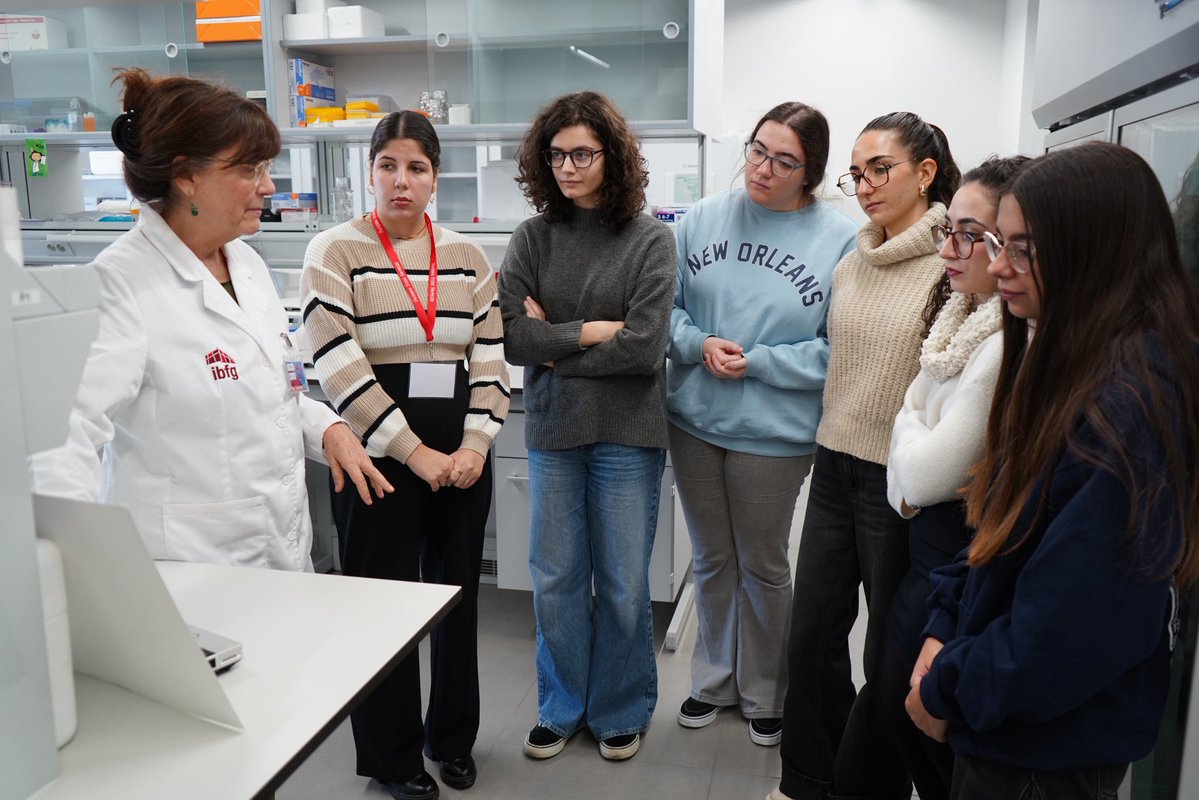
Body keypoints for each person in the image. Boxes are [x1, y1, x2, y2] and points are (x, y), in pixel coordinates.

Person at [906, 142, 1199, 800]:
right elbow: (997, 527)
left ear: (1094, 251)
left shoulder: (1128, 409)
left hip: (1040, 753)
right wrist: (942, 629)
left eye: (1023, 249)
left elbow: (1066, 633)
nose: (996, 265)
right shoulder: (1064, 355)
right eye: (997, 242)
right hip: (1007, 724)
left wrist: (947, 681)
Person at [30, 68, 388, 570]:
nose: (268, 185)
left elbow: (274, 389)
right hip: (188, 570)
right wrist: (84, 576)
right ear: (187, 176)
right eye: (249, 169)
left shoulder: (246, 264)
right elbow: (60, 446)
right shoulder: (120, 284)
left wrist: (327, 428)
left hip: (281, 553)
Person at [300, 111, 509, 800]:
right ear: (370, 171)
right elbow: (337, 364)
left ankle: (451, 740)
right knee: (379, 610)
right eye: (388, 165)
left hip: (460, 460)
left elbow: (490, 360)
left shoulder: (468, 258)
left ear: (435, 177)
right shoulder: (334, 252)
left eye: (416, 167)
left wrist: (476, 443)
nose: (401, 180)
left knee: (455, 602)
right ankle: (392, 760)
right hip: (377, 462)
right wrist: (413, 452)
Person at [773, 111, 960, 800]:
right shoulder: (853, 260)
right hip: (834, 464)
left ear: (925, 172)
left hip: (898, 480)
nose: (865, 185)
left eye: (879, 169)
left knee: (887, 656)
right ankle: (804, 780)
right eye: (856, 174)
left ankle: (869, 788)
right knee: (812, 634)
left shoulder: (950, 264)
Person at [666, 102, 857, 745]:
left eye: (784, 162)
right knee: (712, 559)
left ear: (811, 173)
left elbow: (841, 346)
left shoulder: (840, 239)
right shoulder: (700, 219)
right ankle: (713, 680)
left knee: (763, 564)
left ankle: (766, 691)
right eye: (757, 151)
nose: (763, 169)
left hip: (774, 435)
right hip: (693, 421)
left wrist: (760, 361)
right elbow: (664, 311)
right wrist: (697, 345)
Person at [498, 91, 675, 763]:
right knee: (557, 577)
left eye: (581, 153)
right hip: (553, 435)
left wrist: (555, 341)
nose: (567, 167)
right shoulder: (532, 238)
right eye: (556, 154)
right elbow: (514, 340)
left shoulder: (651, 238)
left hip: (627, 435)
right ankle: (560, 704)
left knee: (626, 580)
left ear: (612, 156)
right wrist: (588, 333)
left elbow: (645, 347)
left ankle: (620, 708)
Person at [875, 156, 1030, 800]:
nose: (954, 250)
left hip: (955, 548)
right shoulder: (959, 321)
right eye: (951, 231)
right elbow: (908, 465)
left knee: (921, 718)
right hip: (930, 550)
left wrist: (910, 440)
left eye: (974, 234)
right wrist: (912, 451)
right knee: (903, 708)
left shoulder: (1001, 346)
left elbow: (925, 476)